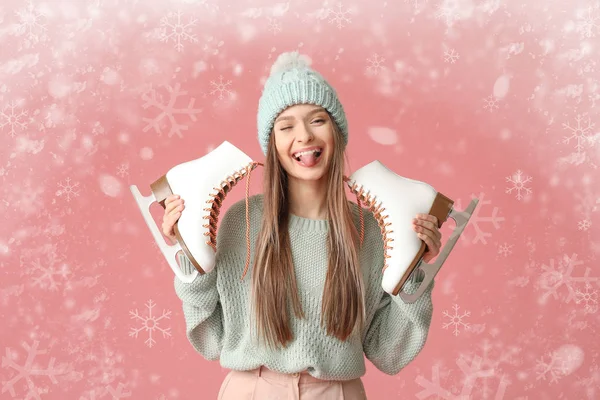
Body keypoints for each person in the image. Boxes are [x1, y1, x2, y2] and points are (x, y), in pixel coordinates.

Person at [162, 51, 442, 399]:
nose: (304, 136)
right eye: (286, 125)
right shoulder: (243, 222)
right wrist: (190, 253)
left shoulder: (371, 232)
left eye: (318, 120)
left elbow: (388, 352)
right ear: (273, 145)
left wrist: (415, 273)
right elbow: (212, 340)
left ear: (337, 133)